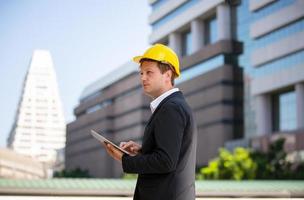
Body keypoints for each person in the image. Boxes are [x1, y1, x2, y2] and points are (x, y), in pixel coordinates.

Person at [103, 44, 197, 200]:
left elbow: (165, 162)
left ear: (167, 75)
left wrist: (123, 158)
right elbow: (170, 154)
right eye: (141, 73)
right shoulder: (173, 106)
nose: (143, 78)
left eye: (149, 72)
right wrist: (143, 151)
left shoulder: (171, 108)